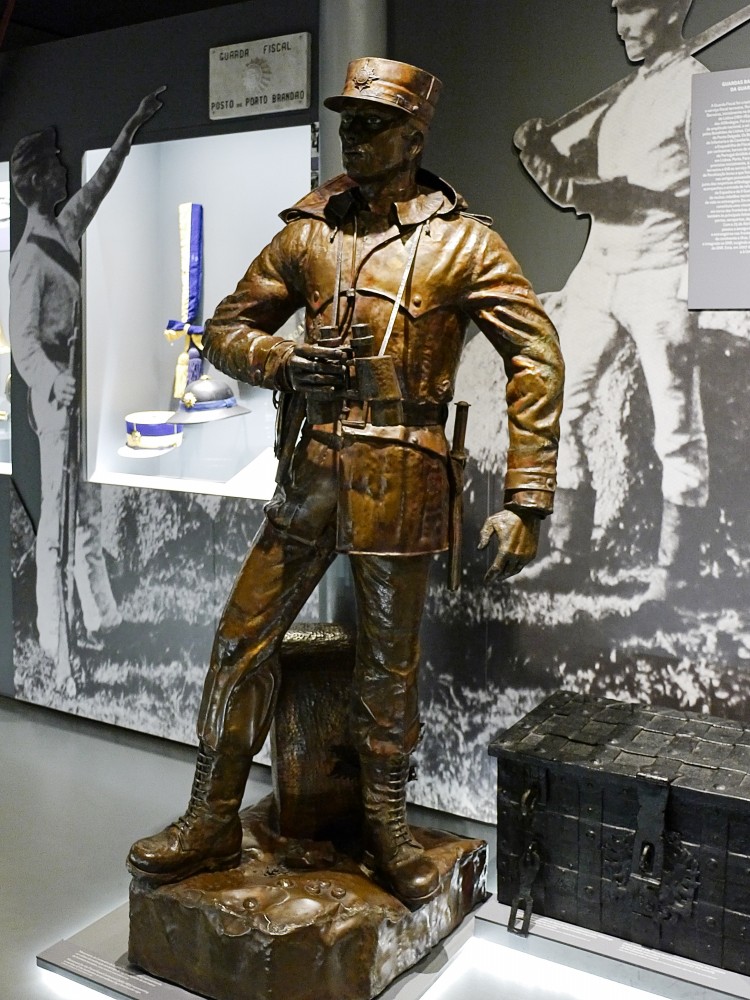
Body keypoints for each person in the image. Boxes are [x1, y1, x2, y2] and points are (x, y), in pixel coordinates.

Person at [127, 58, 563, 908]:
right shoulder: (310, 234)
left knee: (388, 669)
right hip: (311, 471)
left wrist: (528, 497)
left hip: (404, 475)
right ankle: (211, 817)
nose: (352, 137)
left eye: (372, 123)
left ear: (414, 136)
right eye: (346, 123)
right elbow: (225, 328)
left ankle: (388, 830)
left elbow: (535, 356)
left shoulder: (464, 243)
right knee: (240, 640)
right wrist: (282, 358)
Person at [515, 0, 707, 600]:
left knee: (677, 429)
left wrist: (696, 282)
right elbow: (576, 192)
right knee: (556, 405)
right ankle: (569, 554)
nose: (622, 26)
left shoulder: (699, 89)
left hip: (662, 272)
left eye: (635, 10)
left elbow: (724, 196)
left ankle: (674, 577)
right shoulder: (622, 98)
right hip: (598, 271)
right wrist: (540, 157)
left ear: (674, 9)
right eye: (617, 10)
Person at [9, 89, 164, 690]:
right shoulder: (29, 259)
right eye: (54, 165)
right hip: (55, 402)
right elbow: (23, 344)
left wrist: (129, 128)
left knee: (87, 510)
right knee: (55, 522)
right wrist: (55, 380)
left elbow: (99, 185)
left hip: (78, 393)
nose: (64, 170)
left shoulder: (63, 227)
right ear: (34, 182)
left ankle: (100, 616)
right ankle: (56, 639)